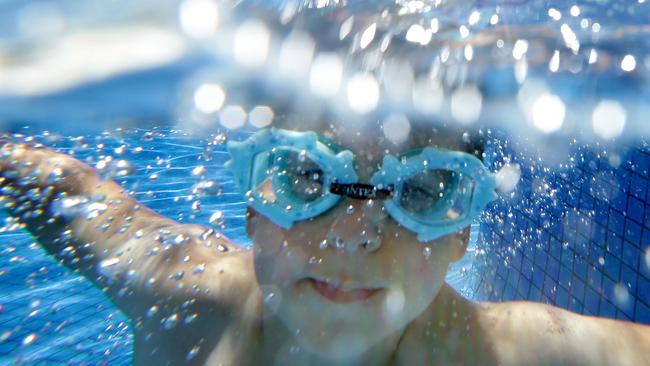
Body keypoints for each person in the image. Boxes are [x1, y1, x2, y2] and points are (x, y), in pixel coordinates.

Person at [1, 120, 649, 366]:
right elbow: (63, 190)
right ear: (253, 205)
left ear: (462, 234)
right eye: (307, 179)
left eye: (422, 190)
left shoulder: (516, 355)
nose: (354, 237)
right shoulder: (179, 295)